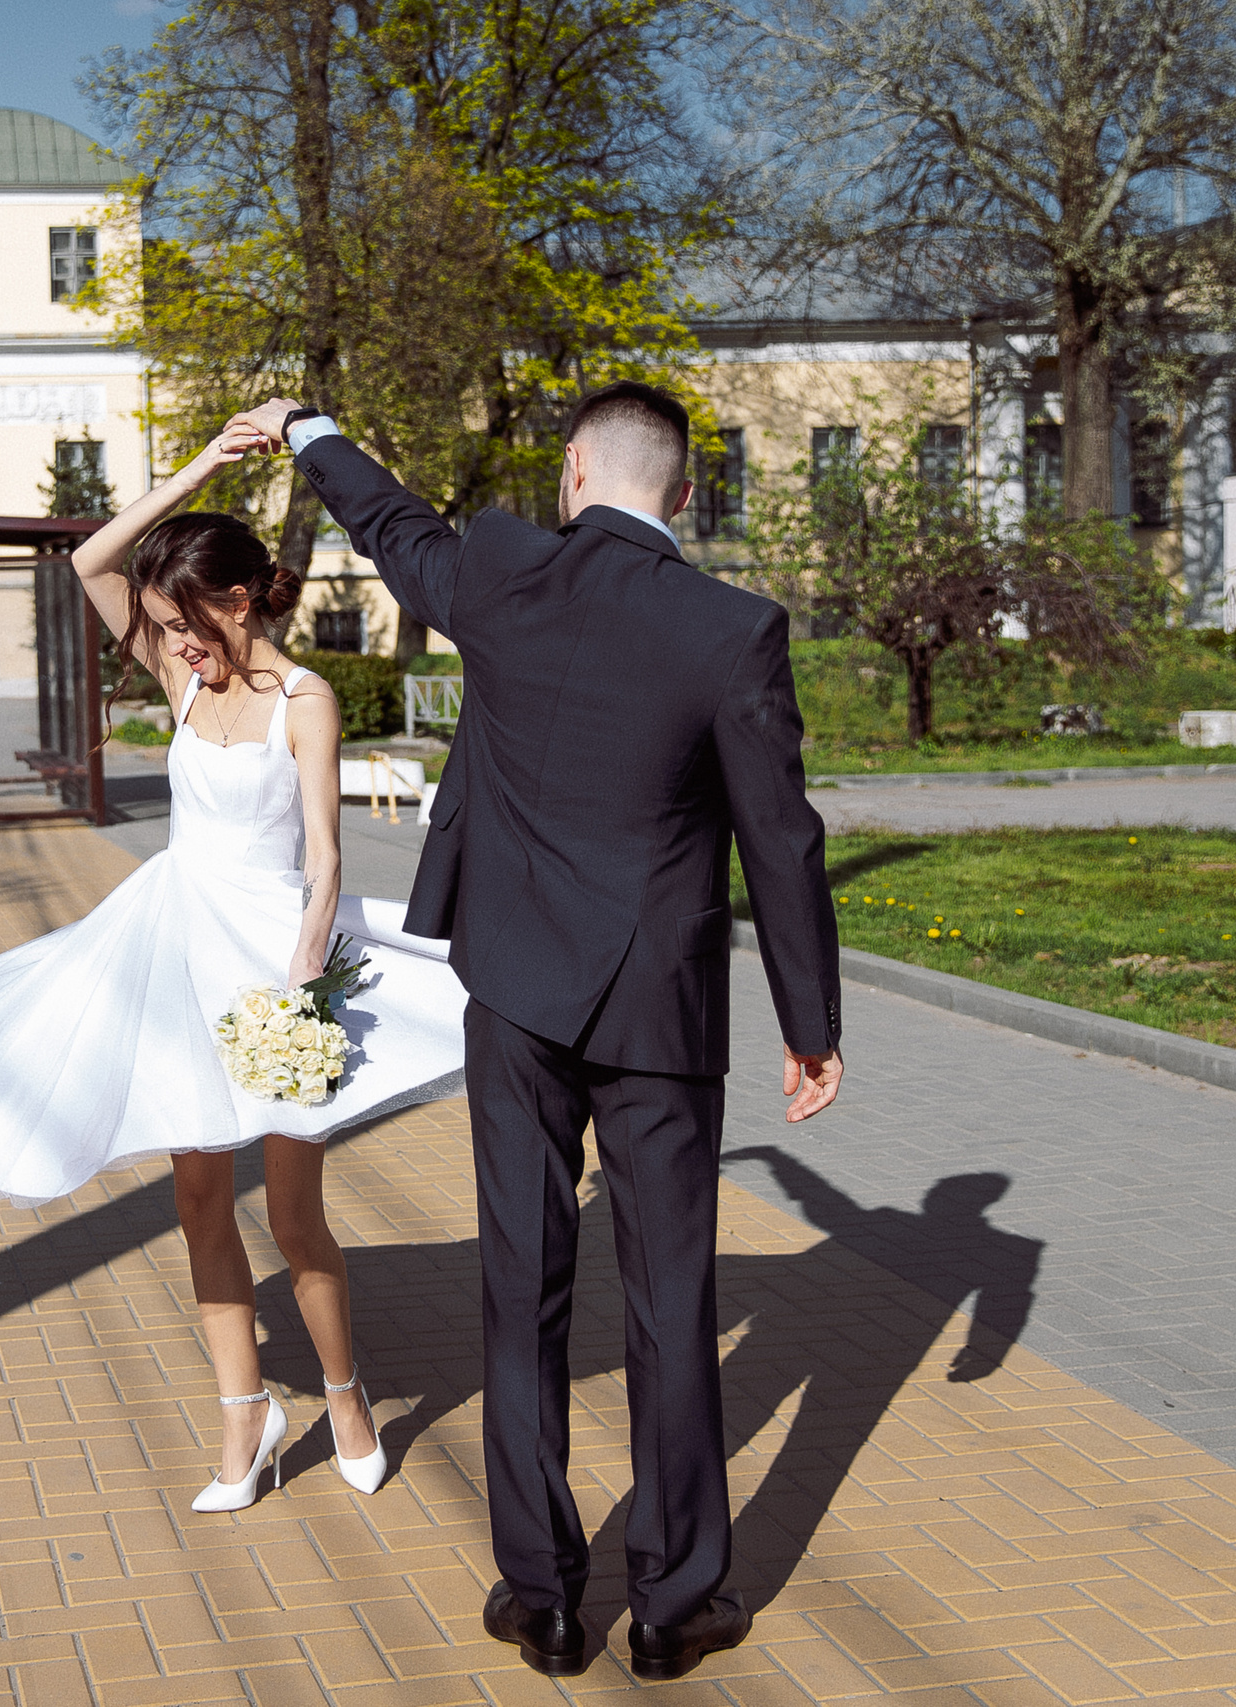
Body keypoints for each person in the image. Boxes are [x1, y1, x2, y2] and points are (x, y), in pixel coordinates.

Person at [226, 384, 844, 1683]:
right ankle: (681, 1599)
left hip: (515, 990)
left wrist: (308, 429)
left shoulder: (506, 570)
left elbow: (390, 524)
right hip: (663, 1006)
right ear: (679, 495)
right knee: (675, 1298)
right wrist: (810, 1021)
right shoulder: (733, 628)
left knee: (526, 1287)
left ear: (574, 473)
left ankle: (543, 1593)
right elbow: (781, 833)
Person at [0, 427, 467, 1515]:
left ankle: (343, 1396)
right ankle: (244, 1416)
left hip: (275, 961)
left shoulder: (305, 702)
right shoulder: (179, 679)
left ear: (243, 601)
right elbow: (92, 563)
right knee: (196, 1200)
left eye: (190, 622)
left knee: (293, 1219)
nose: (173, 644)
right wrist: (197, 475)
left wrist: (298, 997)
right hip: (173, 950)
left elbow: (324, 865)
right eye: (165, 628)